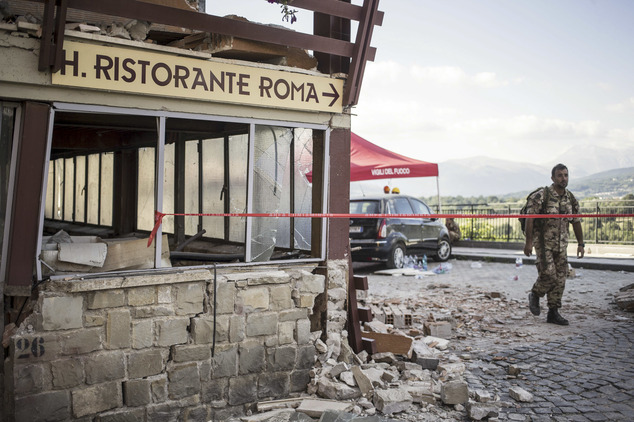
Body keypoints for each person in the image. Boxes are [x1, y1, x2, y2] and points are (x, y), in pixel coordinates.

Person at [523, 163, 584, 325]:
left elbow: (576, 221)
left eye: (566, 175)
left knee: (561, 278)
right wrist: (528, 243)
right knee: (549, 274)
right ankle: (535, 294)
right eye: (560, 175)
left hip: (561, 244)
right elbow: (529, 219)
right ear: (552, 178)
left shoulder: (570, 198)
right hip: (544, 244)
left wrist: (581, 243)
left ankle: (553, 312)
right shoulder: (541, 196)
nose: (563, 178)